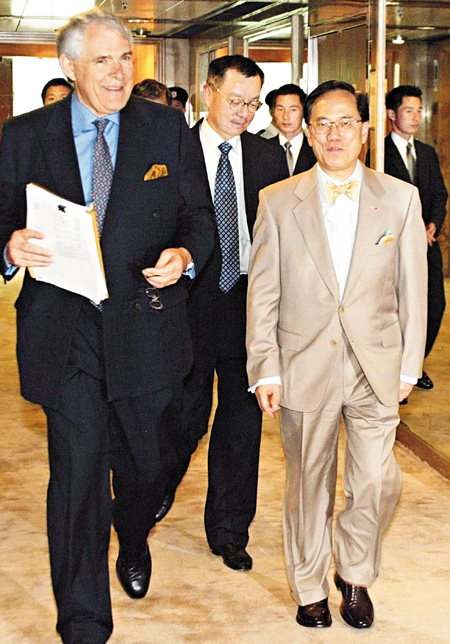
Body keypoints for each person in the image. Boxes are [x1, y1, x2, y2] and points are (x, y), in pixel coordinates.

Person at [0, 8, 214, 644]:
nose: (118, 73)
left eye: (125, 58)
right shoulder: (25, 134)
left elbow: (199, 217)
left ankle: (134, 528)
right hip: (65, 332)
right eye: (102, 60)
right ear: (69, 67)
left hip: (148, 330)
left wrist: (184, 255)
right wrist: (9, 245)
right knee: (78, 477)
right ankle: (84, 622)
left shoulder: (165, 128)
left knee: (149, 463)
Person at [246, 80, 427, 630]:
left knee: (376, 480)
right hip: (304, 363)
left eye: (346, 122)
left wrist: (408, 365)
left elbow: (413, 289)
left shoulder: (400, 198)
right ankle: (308, 587)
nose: (334, 134)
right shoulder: (278, 200)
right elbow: (263, 293)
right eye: (322, 123)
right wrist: (265, 368)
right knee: (309, 483)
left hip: (376, 365)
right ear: (307, 132)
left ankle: (354, 573)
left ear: (365, 130)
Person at [156, 55, 285, 572]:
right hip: (188, 303)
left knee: (242, 423)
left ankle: (230, 530)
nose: (243, 113)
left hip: (248, 303)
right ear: (208, 92)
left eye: (253, 104)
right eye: (235, 101)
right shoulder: (173, 151)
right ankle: (151, 492)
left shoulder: (267, 156)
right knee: (183, 418)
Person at [384, 85, 447, 392]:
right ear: (391, 114)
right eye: (408, 110)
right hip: (393, 245)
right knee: (397, 307)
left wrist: (432, 225)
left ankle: (415, 365)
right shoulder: (378, 152)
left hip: (427, 244)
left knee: (435, 304)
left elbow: (439, 194)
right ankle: (395, 369)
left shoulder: (426, 152)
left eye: (419, 111)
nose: (415, 117)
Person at [268, 83, 316, 177]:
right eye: (280, 109)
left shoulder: (316, 150)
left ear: (304, 112)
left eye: (293, 110)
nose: (286, 116)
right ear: (273, 112)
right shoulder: (263, 150)